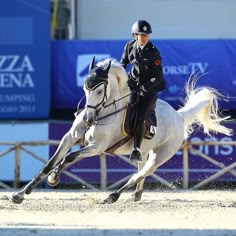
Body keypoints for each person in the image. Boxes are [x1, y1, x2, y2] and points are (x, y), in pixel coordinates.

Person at [120, 19, 166, 163]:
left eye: (146, 35)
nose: (145, 37)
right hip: (132, 83)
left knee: (140, 113)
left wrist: (144, 88)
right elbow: (123, 64)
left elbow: (158, 77)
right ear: (135, 36)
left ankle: (136, 149)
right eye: (142, 35)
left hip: (149, 88)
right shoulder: (129, 46)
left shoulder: (153, 52)